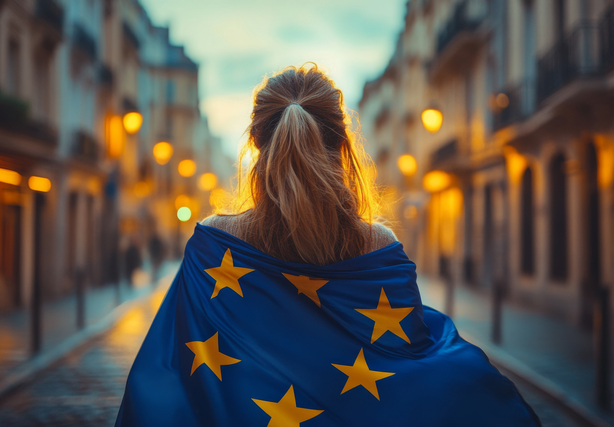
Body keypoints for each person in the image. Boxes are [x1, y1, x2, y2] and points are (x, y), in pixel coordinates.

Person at [115, 65, 540, 426]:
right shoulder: (380, 243)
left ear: (255, 145)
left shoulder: (214, 242)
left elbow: (173, 378)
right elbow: (410, 352)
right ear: (342, 145)